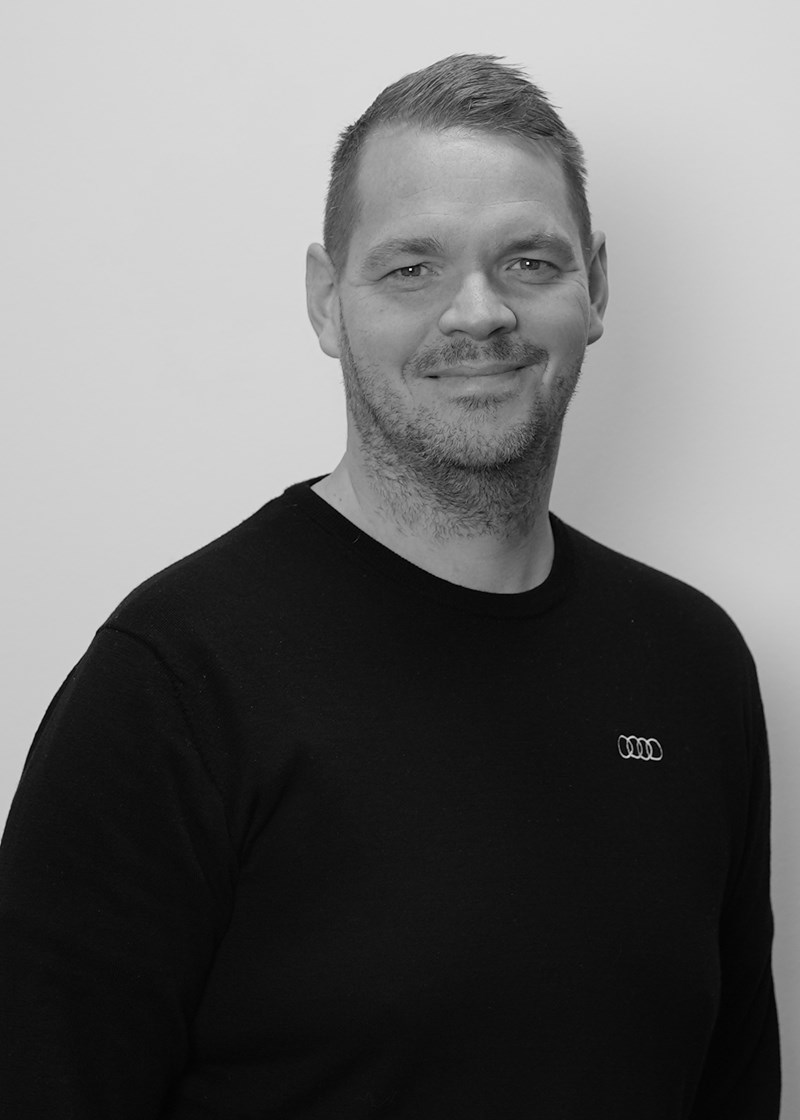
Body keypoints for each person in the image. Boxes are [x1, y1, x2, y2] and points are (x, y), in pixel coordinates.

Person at [0, 54, 780, 1119]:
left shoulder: (692, 666)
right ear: (327, 302)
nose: (479, 314)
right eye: (412, 267)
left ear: (594, 286)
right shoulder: (175, 682)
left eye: (528, 261)